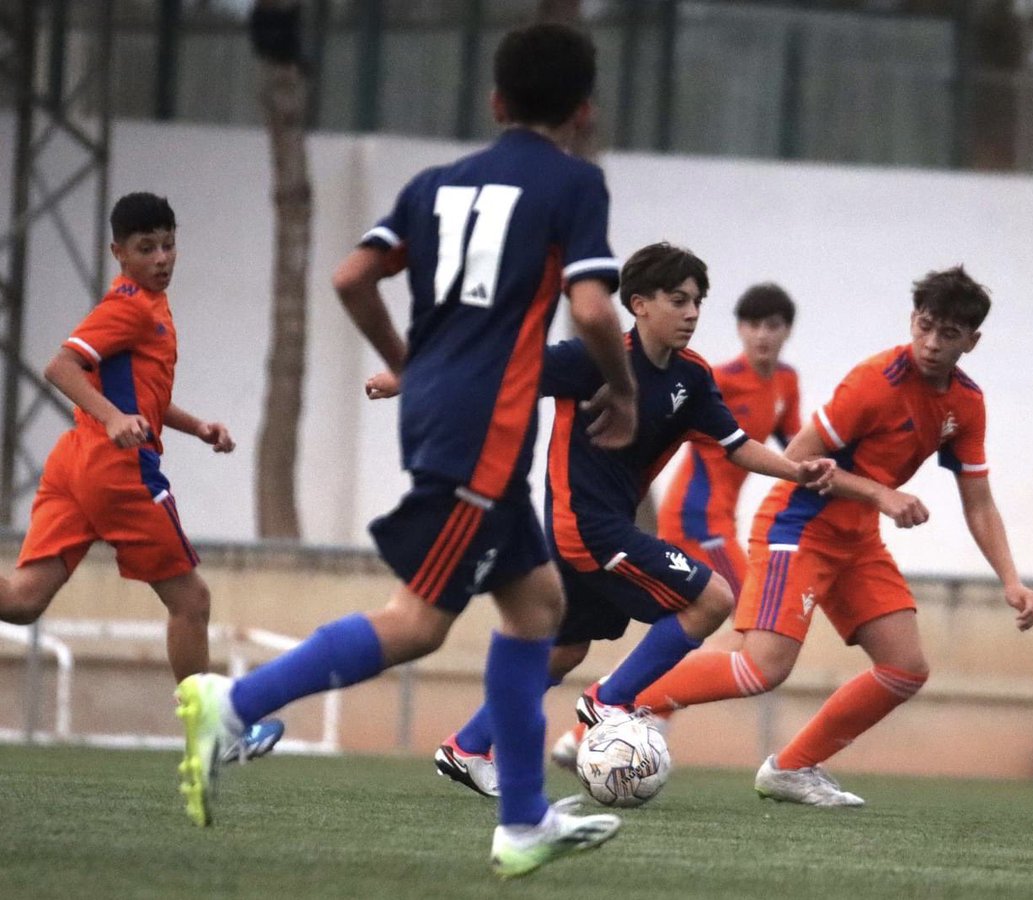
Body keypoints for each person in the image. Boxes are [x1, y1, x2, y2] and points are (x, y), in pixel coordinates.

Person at [173, 23, 639, 879]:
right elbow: (596, 310)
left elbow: (351, 276)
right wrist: (623, 386)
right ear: (582, 112)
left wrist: (405, 361)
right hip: (484, 434)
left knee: (538, 605)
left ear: (496, 103)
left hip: (443, 419)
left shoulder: (435, 184)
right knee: (417, 624)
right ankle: (233, 705)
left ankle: (524, 819)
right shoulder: (576, 184)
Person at [431, 243, 834, 798]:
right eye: (678, 300)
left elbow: (737, 445)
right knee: (714, 599)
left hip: (606, 527)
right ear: (639, 304)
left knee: (567, 650)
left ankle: (469, 745)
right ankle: (608, 702)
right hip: (585, 527)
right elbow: (505, 370)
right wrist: (408, 380)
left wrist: (796, 470)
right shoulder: (592, 359)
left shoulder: (692, 377)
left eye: (697, 302)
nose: (692, 313)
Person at [633, 265, 1033, 806]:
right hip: (796, 527)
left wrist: (1011, 580)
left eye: (948, 334)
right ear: (912, 320)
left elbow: (979, 500)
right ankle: (617, 700)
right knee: (761, 667)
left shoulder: (966, 403)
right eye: (924, 326)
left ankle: (792, 768)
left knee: (904, 668)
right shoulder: (875, 381)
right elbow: (798, 459)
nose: (932, 343)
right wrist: (879, 493)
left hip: (856, 539)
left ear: (973, 340)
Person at [0, 192, 281, 762]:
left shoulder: (148, 304)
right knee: (191, 601)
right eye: (145, 248)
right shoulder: (129, 307)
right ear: (118, 253)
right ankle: (214, 733)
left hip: (73, 461)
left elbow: (139, 398)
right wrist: (112, 420)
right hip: (117, 471)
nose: (161, 257)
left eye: (168, 244)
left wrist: (196, 425)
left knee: (23, 601)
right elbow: (61, 366)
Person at [657, 282, 801, 599]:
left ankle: (681, 653)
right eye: (753, 325)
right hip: (695, 517)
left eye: (772, 325)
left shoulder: (786, 381)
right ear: (740, 329)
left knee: (696, 616)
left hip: (723, 517)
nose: (762, 335)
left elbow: (798, 450)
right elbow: (661, 419)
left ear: (787, 330)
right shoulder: (719, 379)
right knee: (753, 604)